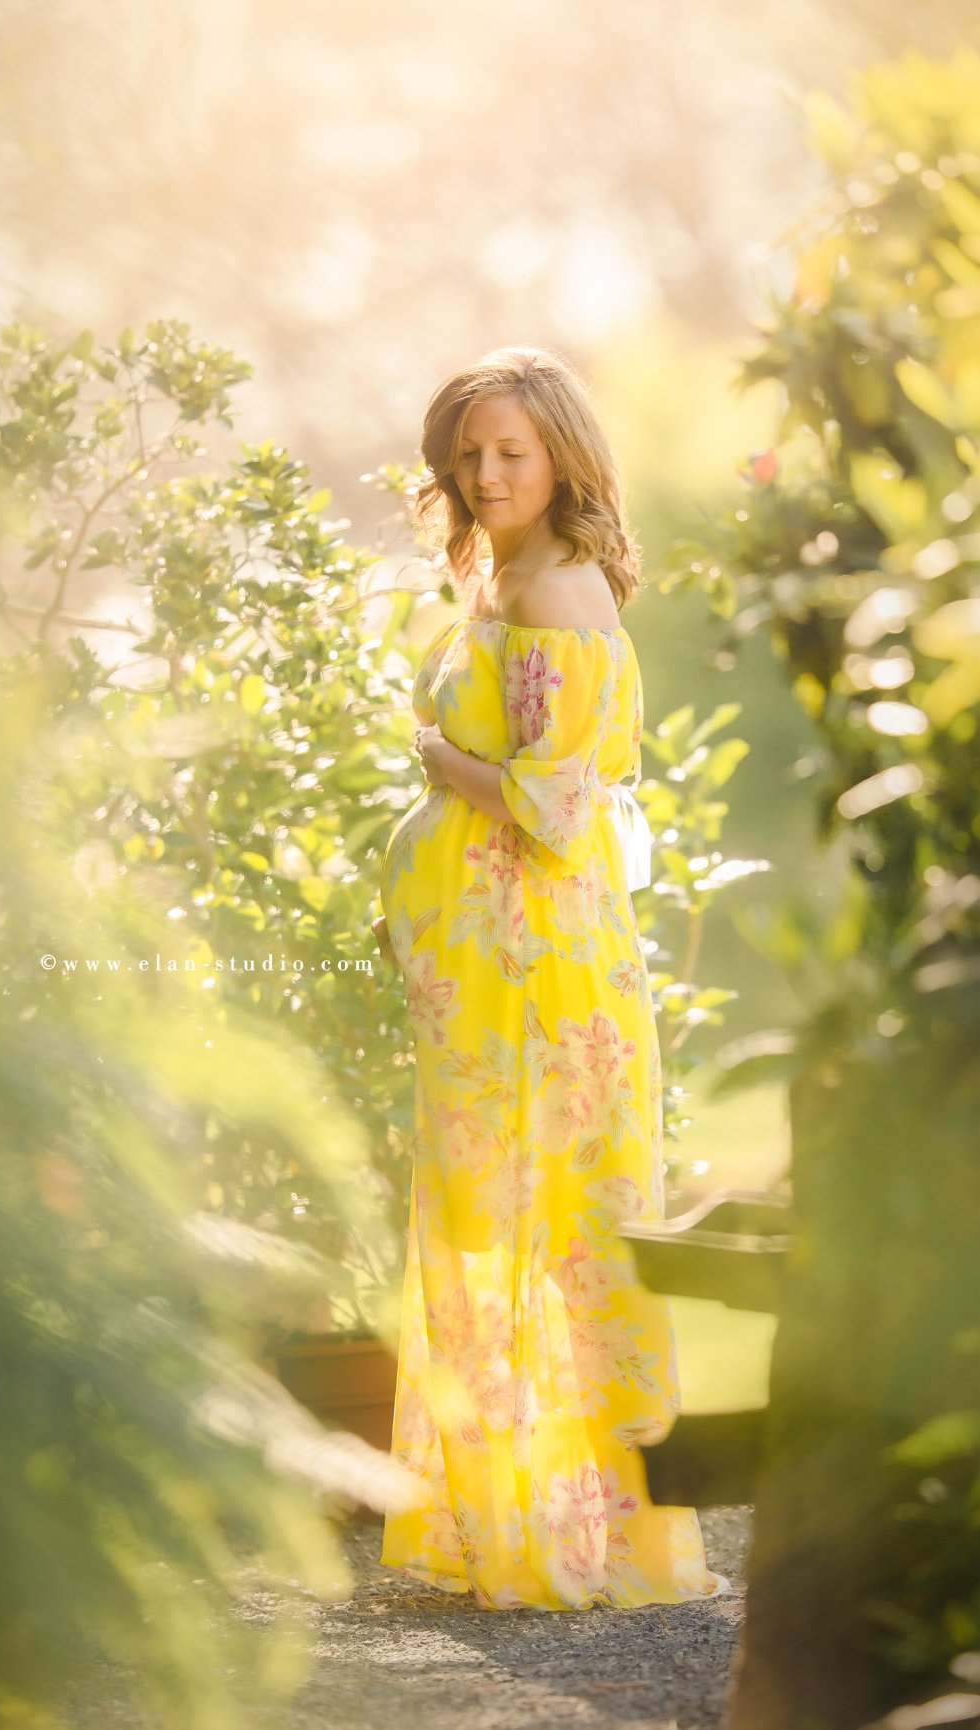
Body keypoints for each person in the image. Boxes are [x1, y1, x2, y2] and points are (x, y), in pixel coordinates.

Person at [375, 345, 733, 1612]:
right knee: (488, 1214)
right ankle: (497, 1512)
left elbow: (555, 803)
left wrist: (433, 757)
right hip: (486, 961)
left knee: (551, 1218)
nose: (482, 473)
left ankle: (573, 1535)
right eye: (468, 453)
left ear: (561, 456)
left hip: (537, 970)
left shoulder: (558, 590)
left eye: (509, 451)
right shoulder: (505, 569)